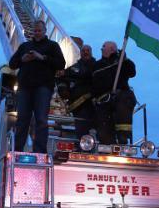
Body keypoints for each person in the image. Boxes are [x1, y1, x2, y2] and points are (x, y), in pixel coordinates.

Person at [9, 20, 65, 153]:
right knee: (22, 119)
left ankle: (39, 151)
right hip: (25, 87)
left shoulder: (53, 46)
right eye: (35, 31)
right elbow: (12, 64)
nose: (37, 33)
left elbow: (61, 63)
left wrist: (43, 57)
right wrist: (22, 59)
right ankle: (17, 150)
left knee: (41, 119)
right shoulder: (24, 46)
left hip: (43, 87)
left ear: (45, 31)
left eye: (39, 30)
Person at [92, 41, 136, 145]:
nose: (101, 49)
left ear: (112, 49)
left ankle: (123, 137)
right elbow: (93, 83)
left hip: (121, 97)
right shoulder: (97, 65)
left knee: (123, 107)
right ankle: (107, 149)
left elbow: (132, 72)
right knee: (104, 132)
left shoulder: (121, 62)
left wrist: (125, 59)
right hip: (103, 102)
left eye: (104, 47)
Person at [57, 44, 96, 142]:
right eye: (83, 50)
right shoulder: (74, 68)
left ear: (91, 52)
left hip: (95, 103)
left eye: (88, 50)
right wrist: (63, 89)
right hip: (79, 105)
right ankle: (82, 149)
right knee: (81, 130)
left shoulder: (97, 66)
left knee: (98, 130)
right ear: (80, 53)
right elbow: (61, 78)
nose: (85, 52)